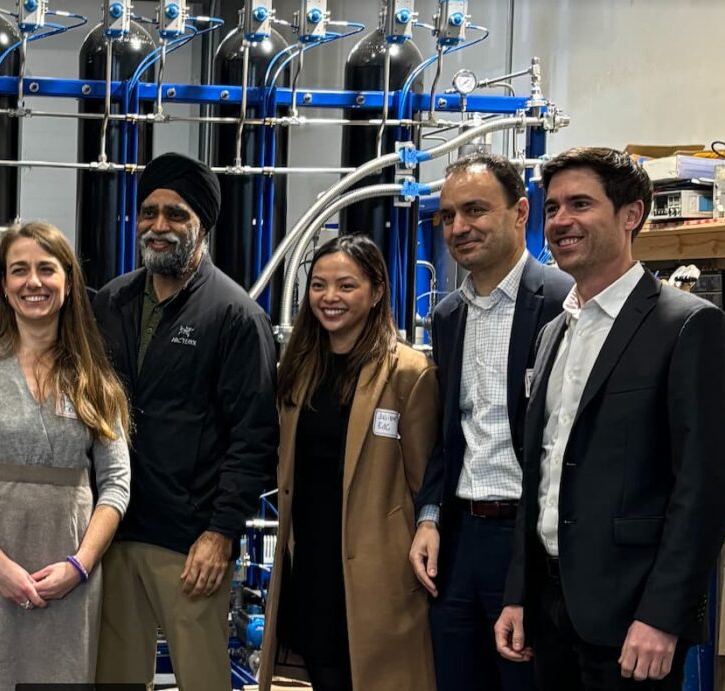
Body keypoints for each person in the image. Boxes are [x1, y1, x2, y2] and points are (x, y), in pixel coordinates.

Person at [494, 147, 725, 690]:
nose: (561, 221)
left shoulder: (688, 326)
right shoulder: (554, 332)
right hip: (552, 609)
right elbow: (540, 476)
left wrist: (662, 615)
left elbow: (702, 489)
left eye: (581, 204)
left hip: (632, 616)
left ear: (632, 214)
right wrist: (519, 594)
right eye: (553, 207)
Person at [93, 152, 279, 689]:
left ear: (202, 224)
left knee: (201, 678)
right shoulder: (113, 301)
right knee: (116, 678)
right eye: (149, 212)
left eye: (175, 214)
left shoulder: (235, 315)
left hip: (190, 538)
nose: (158, 226)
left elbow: (254, 438)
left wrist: (222, 532)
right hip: (116, 528)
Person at [0, 221, 131, 687]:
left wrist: (78, 566)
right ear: (3, 285)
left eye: (46, 269)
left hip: (69, 575)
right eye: (18, 270)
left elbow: (116, 485)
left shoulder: (95, 378)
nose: (33, 282)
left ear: (68, 281)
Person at [410, 153, 572, 691]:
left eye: (475, 210)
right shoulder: (448, 316)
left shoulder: (563, 302)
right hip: (458, 541)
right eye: (449, 216)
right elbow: (447, 435)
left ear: (521, 211)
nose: (459, 227)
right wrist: (429, 516)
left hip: (528, 543)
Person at [257, 234, 439, 691]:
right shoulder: (298, 369)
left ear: (377, 291)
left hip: (376, 571)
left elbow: (425, 484)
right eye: (319, 286)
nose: (329, 298)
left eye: (345, 286)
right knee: (324, 673)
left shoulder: (409, 374)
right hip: (312, 562)